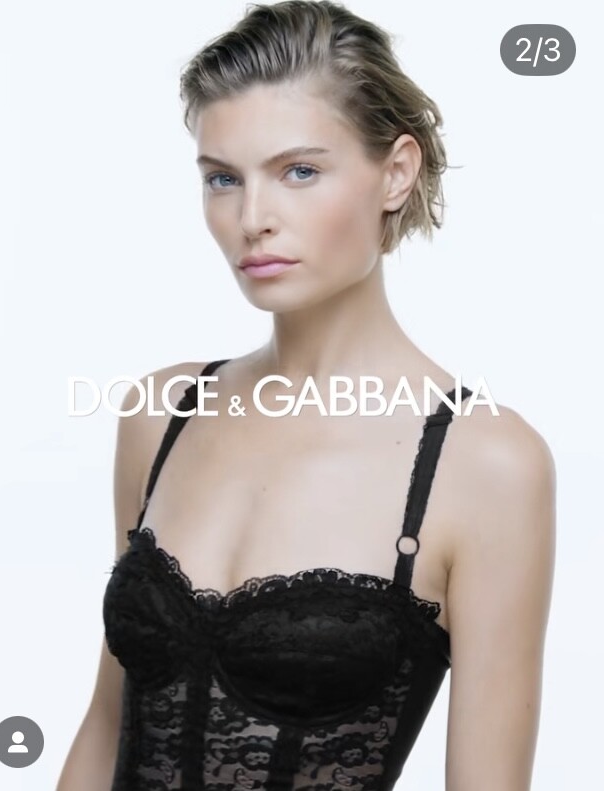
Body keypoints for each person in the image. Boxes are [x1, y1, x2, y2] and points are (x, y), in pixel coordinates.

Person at [56, 2, 556, 789]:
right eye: (223, 178)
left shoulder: (485, 464)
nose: (252, 219)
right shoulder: (162, 413)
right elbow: (105, 722)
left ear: (396, 171)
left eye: (299, 171)